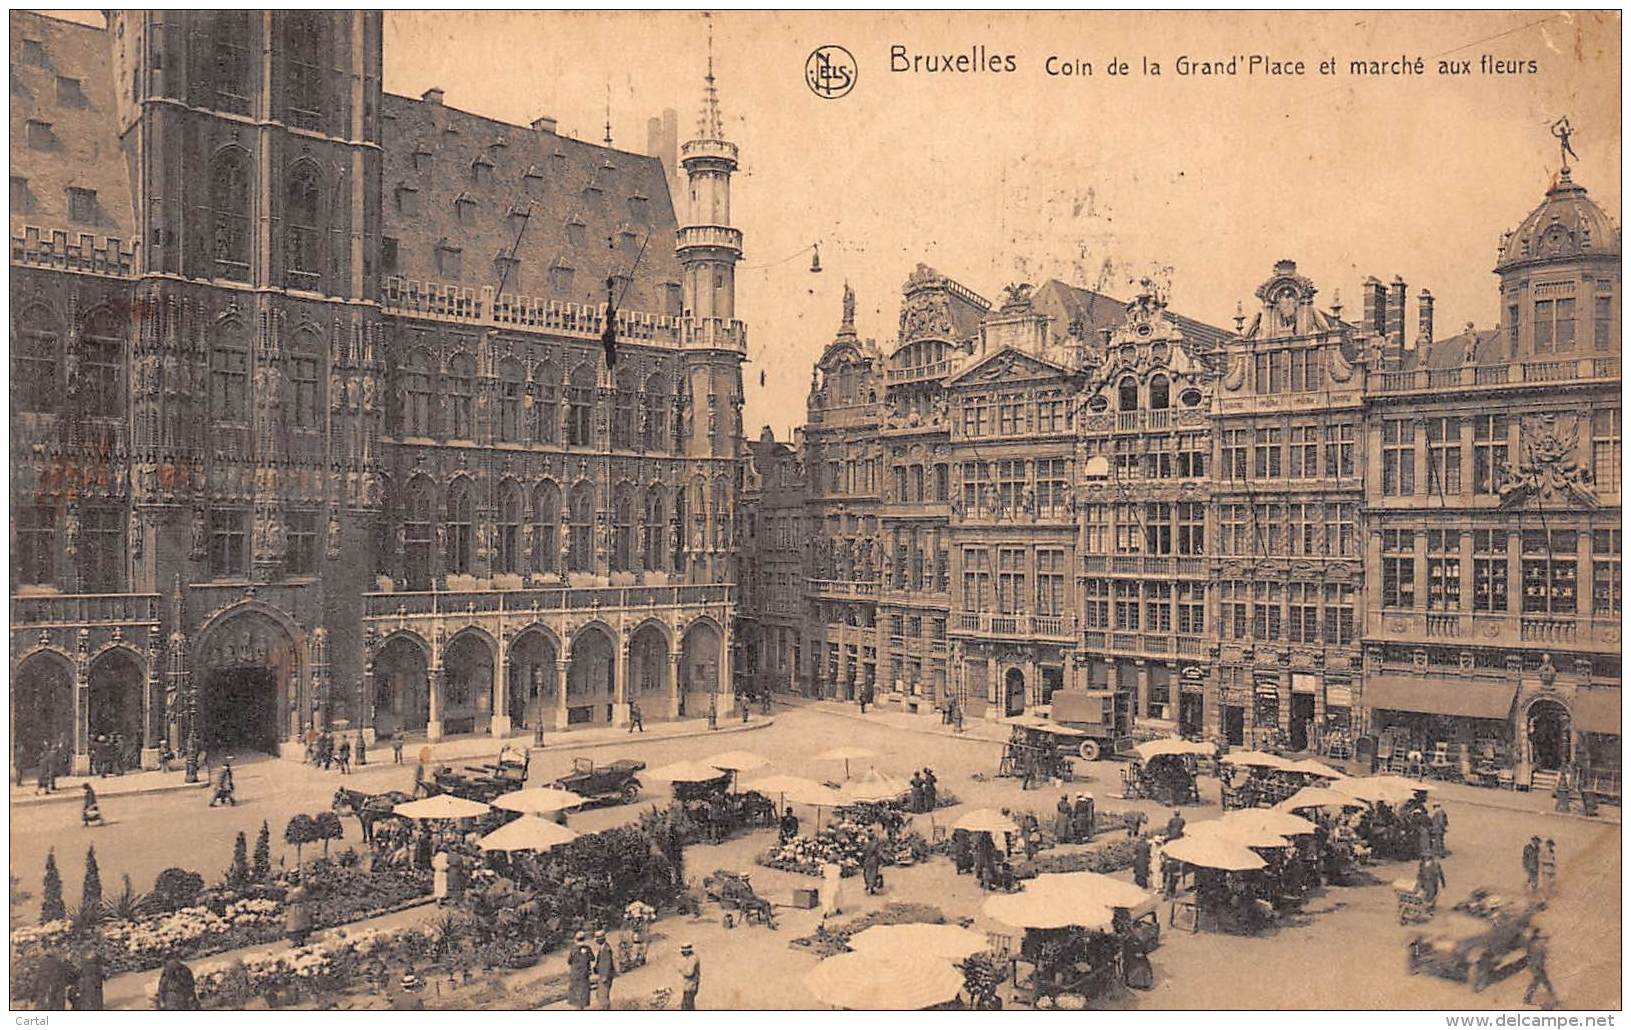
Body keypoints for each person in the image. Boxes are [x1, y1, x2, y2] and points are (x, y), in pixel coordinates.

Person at [1524, 927, 1558, 1009]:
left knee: (1543, 982)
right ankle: (1527, 998)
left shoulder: (1534, 944)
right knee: (1538, 982)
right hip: (1537, 967)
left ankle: (1553, 996)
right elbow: (1537, 958)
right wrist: (1537, 967)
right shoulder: (1537, 946)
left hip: (1536, 966)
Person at [567, 931, 594, 1010]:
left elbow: (569, 961)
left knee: (576, 992)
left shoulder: (573, 949)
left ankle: (578, 1009)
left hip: (575, 973)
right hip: (584, 973)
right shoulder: (587, 948)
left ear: (576, 939)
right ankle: (581, 1008)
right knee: (583, 991)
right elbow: (592, 958)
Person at [594, 930, 617, 1010]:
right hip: (603, 974)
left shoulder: (606, 949)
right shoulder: (603, 948)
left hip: (605, 976)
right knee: (601, 995)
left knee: (602, 995)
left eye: (597, 938)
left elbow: (607, 963)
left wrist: (604, 976)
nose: (596, 940)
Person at [285, 881, 312, 946]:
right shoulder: (302, 889)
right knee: (302, 922)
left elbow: (287, 900)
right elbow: (306, 897)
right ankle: (301, 939)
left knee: (294, 924)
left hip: (294, 908)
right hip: (302, 907)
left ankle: (296, 940)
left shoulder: (291, 891)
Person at [677, 942, 701, 1011]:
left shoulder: (692, 959)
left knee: (687, 1006)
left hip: (690, 985)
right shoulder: (693, 958)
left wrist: (681, 971)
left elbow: (689, 973)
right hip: (690, 985)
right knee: (688, 1004)